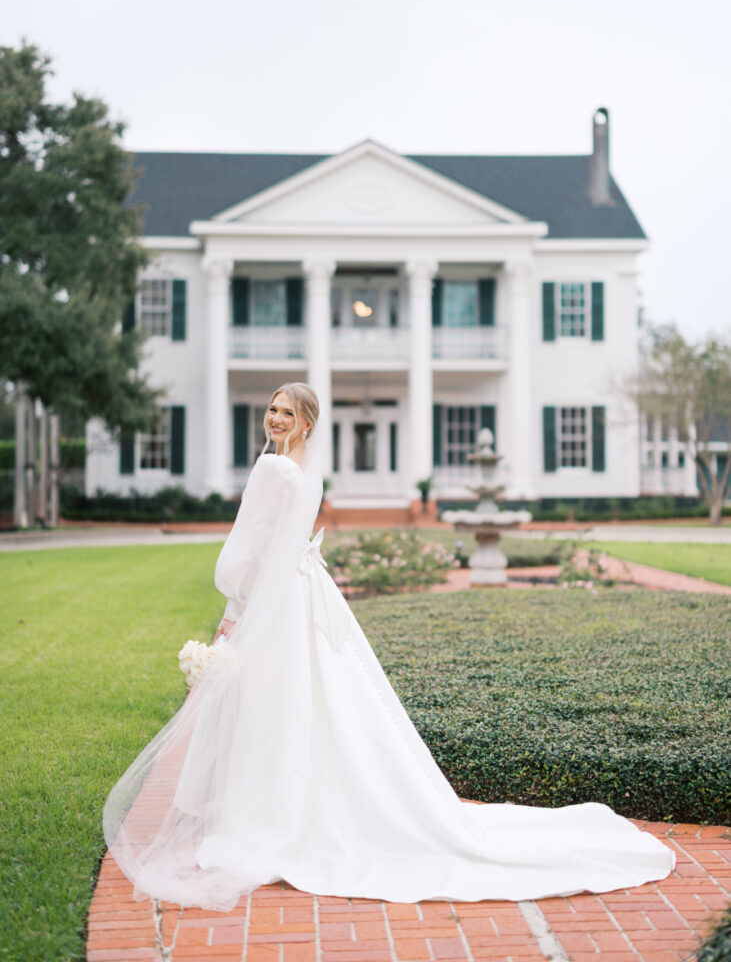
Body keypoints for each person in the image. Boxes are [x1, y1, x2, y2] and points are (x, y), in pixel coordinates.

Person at [103, 381, 676, 912]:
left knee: (280, 703)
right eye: (273, 409)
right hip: (302, 593)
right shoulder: (306, 474)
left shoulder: (271, 471)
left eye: (287, 413)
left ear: (305, 424)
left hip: (277, 598)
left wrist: (233, 608)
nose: (275, 419)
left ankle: (268, 814)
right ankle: (287, 806)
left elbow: (247, 549)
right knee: (309, 701)